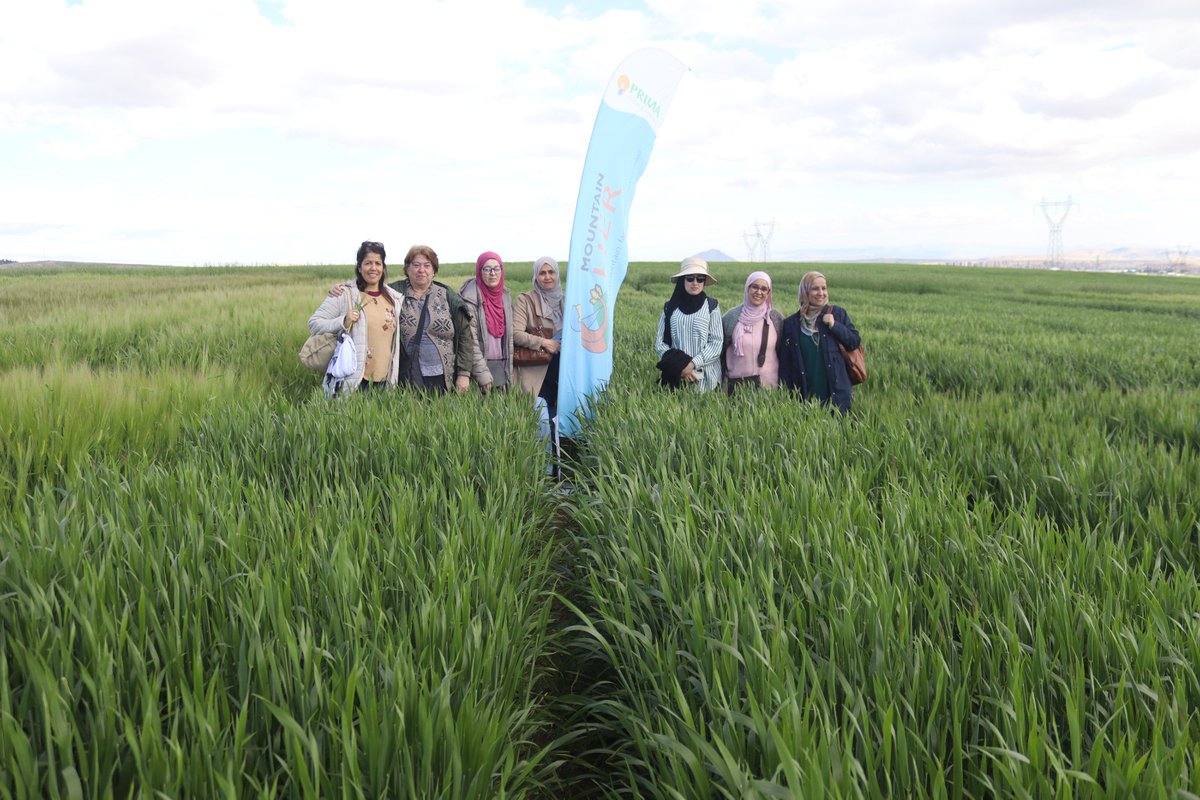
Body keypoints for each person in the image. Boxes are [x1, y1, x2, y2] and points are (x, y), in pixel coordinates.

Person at [327, 244, 478, 393]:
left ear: (434, 270)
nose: (421, 270)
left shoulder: (447, 296)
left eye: (427, 265)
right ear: (407, 269)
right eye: (416, 265)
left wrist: (464, 374)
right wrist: (344, 287)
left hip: (444, 377)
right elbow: (367, 286)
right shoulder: (393, 293)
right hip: (406, 378)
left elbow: (465, 336)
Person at [307, 241, 405, 394]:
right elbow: (314, 323)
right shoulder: (344, 294)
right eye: (368, 263)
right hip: (354, 381)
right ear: (359, 267)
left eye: (378, 263)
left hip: (385, 382)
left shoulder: (394, 298)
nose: (373, 268)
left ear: (383, 267)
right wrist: (343, 321)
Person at [778, 270, 862, 412]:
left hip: (836, 391)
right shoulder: (791, 324)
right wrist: (786, 394)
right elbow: (785, 364)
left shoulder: (837, 314)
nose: (821, 293)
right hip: (804, 393)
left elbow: (854, 341)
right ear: (805, 291)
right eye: (815, 288)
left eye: (824, 288)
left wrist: (835, 326)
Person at [654, 256, 723, 392]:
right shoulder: (669, 308)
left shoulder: (711, 306)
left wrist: (691, 364)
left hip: (707, 380)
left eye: (700, 279)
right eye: (690, 278)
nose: (695, 283)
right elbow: (660, 343)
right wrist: (680, 367)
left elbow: (716, 342)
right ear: (682, 280)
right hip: (676, 376)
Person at [722, 270, 784, 394]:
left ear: (768, 293)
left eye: (764, 289)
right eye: (754, 287)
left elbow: (782, 351)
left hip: (769, 389)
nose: (758, 292)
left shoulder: (775, 318)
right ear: (747, 288)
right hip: (736, 387)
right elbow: (720, 350)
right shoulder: (732, 317)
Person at [459, 251, 513, 390]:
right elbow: (470, 341)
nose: (492, 273)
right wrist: (482, 373)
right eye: (487, 268)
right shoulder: (469, 298)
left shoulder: (504, 296)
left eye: (496, 268)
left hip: (500, 365)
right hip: (478, 367)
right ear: (479, 271)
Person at [512, 256, 564, 399]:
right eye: (542, 273)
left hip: (563, 370)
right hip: (536, 371)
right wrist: (544, 342)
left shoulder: (566, 301)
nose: (547, 277)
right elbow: (515, 334)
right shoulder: (525, 300)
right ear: (536, 276)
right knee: (542, 419)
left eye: (551, 272)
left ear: (557, 274)